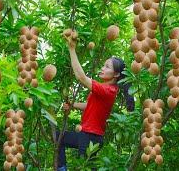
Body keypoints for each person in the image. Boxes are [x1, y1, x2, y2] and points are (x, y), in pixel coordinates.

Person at [57, 33, 135, 171]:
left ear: (116, 75)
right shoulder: (104, 89)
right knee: (58, 138)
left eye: (107, 67)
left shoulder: (109, 90)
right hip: (86, 135)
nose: (103, 68)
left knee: (84, 167)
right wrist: (73, 105)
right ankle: (61, 168)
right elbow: (90, 106)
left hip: (91, 137)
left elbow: (81, 77)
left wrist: (72, 49)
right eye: (103, 65)